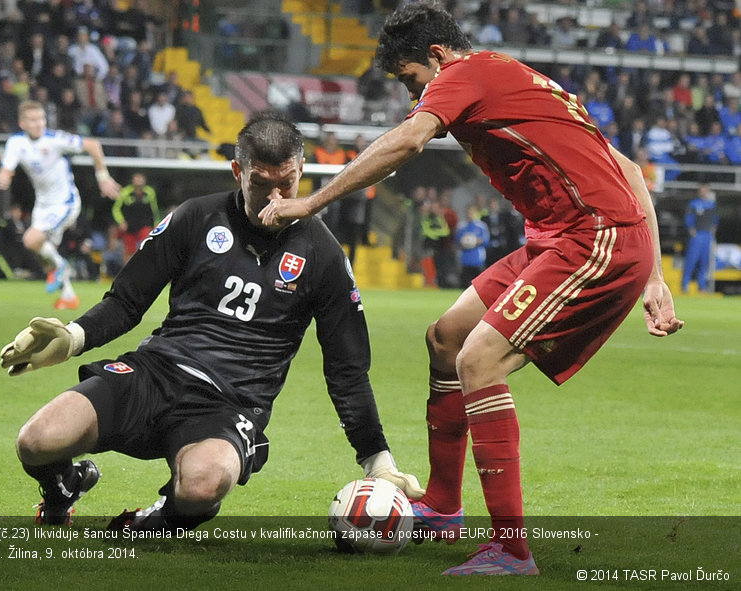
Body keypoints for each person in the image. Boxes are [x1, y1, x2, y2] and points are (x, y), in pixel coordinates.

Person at [259, 2, 683, 576]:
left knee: (479, 361)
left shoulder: (465, 77)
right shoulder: (514, 78)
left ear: (436, 57)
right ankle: (442, 505)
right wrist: (655, 274)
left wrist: (307, 203)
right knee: (448, 337)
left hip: (597, 237)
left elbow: (408, 143)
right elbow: (628, 168)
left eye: (412, 79)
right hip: (558, 237)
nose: (415, 96)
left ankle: (511, 550)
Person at [0, 111, 424, 532]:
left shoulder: (324, 256)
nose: (276, 198)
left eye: (287, 183)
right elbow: (127, 301)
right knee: (36, 441)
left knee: (204, 485)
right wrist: (73, 337)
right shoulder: (196, 217)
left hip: (230, 403)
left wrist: (377, 459)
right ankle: (63, 488)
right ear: (237, 171)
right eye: (261, 184)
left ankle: (154, 522)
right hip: (156, 372)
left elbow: (347, 369)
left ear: (301, 171)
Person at [0, 100, 121, 310]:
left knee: (30, 240)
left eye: (41, 119)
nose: (39, 124)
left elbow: (93, 145)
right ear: (22, 123)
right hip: (43, 205)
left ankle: (63, 266)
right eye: (33, 120)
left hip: (65, 203)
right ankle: (69, 296)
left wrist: (102, 177)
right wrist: (3, 176)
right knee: (45, 255)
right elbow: (7, 167)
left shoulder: (55, 139)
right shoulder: (16, 143)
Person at [112, 172, 160, 263]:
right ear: (132, 181)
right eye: (136, 180)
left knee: (148, 247)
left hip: (144, 224)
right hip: (129, 226)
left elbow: (154, 210)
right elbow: (116, 209)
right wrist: (121, 221)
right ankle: (127, 273)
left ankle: (147, 271)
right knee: (129, 251)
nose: (138, 182)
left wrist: (156, 224)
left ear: (144, 181)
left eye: (140, 180)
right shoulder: (125, 192)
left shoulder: (149, 192)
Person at [681, 184, 719, 293]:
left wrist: (713, 229)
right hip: (697, 236)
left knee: (705, 261)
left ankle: (702, 287)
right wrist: (691, 229)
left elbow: (715, 219)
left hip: (707, 235)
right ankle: (685, 285)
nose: (704, 192)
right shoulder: (694, 204)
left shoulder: (712, 205)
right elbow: (689, 218)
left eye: (706, 190)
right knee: (691, 260)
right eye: (702, 190)